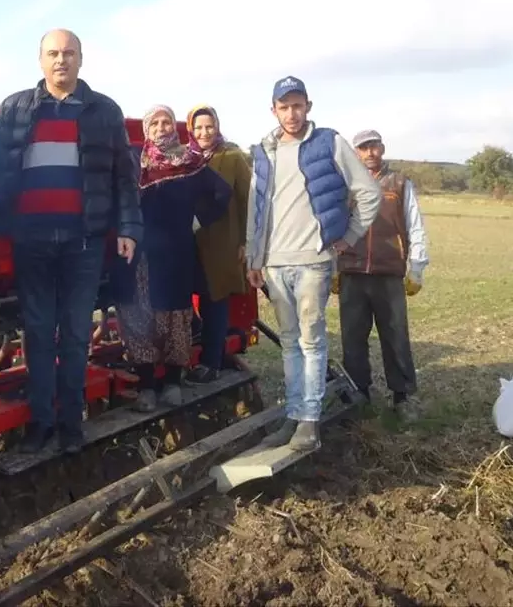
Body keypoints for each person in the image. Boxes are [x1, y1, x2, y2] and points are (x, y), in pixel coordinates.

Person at [0, 29, 142, 456]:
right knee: (37, 332)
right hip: (30, 238)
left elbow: (124, 175)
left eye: (69, 53)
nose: (61, 60)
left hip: (82, 241)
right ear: (40, 60)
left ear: (81, 60)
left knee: (72, 333)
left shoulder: (104, 112)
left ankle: (71, 424)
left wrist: (127, 227)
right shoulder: (16, 109)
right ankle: (40, 424)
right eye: (53, 53)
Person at [245, 75, 382, 452]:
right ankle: (293, 417)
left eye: (297, 105)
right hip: (274, 264)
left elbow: (369, 194)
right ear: (273, 110)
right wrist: (255, 256)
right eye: (284, 106)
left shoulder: (330, 143)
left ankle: (309, 422)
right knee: (289, 343)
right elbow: (255, 210)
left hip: (312, 262)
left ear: (308, 106)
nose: (292, 113)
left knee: (311, 341)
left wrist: (347, 238)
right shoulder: (263, 151)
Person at [113, 105, 231, 412]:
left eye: (167, 122)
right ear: (147, 129)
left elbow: (222, 194)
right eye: (156, 124)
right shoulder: (135, 163)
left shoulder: (191, 162)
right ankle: (147, 386)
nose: (162, 128)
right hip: (140, 256)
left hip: (177, 252)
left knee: (175, 318)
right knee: (140, 316)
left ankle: (173, 383)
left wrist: (196, 220)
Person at [337, 129, 430, 421]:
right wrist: (331, 269)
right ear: (355, 153)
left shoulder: (400, 184)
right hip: (352, 272)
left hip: (388, 272)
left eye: (374, 147)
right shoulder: (346, 186)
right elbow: (333, 228)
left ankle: (403, 396)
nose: (369, 153)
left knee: (395, 335)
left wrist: (416, 267)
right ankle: (358, 393)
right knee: (352, 338)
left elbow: (415, 226)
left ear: (382, 148)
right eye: (363, 148)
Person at [183, 104, 252, 385]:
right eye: (198, 127)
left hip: (224, 242)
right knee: (189, 298)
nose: (204, 132)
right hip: (190, 242)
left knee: (215, 300)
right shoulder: (186, 159)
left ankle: (212, 362)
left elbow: (248, 200)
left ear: (217, 126)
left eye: (209, 126)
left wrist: (247, 241)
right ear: (190, 130)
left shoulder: (232, 157)